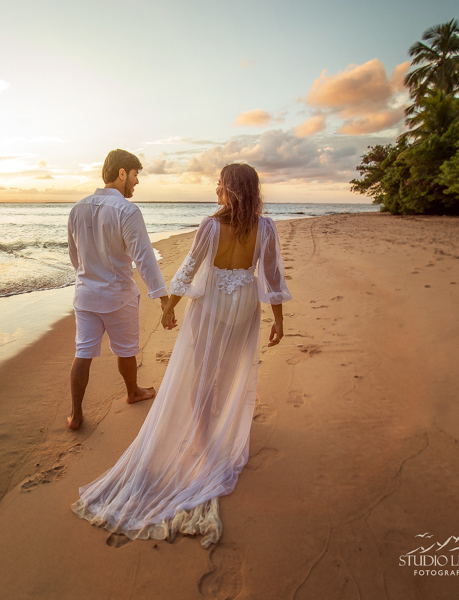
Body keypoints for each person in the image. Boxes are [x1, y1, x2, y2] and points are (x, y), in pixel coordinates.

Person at [71, 163, 291, 547]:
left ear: (230, 189)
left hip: (212, 304)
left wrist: (170, 306)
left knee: (202, 369)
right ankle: (219, 433)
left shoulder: (210, 226)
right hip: (243, 304)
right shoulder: (266, 228)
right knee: (231, 368)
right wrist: (279, 319)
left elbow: (189, 270)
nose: (216, 187)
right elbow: (271, 275)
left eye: (220, 183)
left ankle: (204, 438)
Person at [66, 149, 170, 431]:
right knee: (125, 350)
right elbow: (144, 258)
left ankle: (76, 415)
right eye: (135, 175)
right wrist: (163, 299)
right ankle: (132, 392)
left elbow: (75, 258)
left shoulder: (77, 208)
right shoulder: (128, 210)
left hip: (85, 295)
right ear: (122, 173)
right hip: (117, 296)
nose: (136, 182)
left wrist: (89, 276)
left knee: (83, 352)